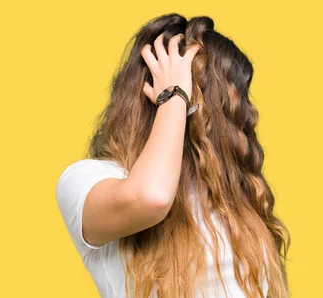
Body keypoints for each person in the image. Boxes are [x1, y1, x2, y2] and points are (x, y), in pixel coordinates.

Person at [55, 13, 290, 298]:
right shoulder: (88, 180)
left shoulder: (234, 200)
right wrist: (174, 95)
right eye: (222, 103)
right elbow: (152, 196)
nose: (238, 119)